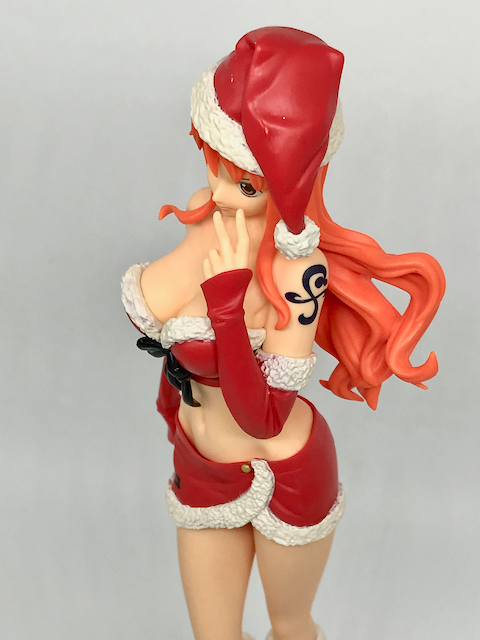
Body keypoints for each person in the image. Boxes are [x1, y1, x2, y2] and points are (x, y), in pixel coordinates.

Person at [121, 27, 445, 640]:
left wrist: (226, 307)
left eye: (248, 184)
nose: (221, 192)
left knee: (289, 626)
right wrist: (173, 411)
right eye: (217, 166)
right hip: (203, 462)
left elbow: (266, 417)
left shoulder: (301, 271)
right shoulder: (208, 214)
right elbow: (158, 324)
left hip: (286, 473)